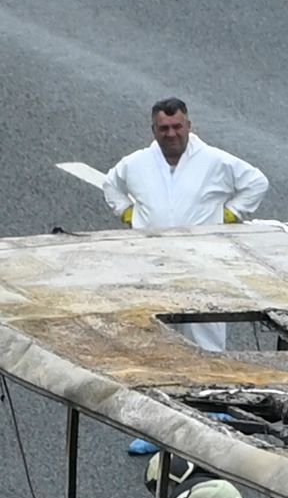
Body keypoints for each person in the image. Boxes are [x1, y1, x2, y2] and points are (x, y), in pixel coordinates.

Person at [103, 98, 270, 350]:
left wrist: (230, 215)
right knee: (155, 336)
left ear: (189, 126)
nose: (171, 134)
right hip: (152, 264)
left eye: (177, 126)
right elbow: (111, 185)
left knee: (205, 338)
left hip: (203, 265)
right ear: (154, 131)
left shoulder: (214, 161)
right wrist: (128, 214)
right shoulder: (136, 163)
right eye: (164, 128)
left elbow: (257, 183)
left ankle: (212, 383)